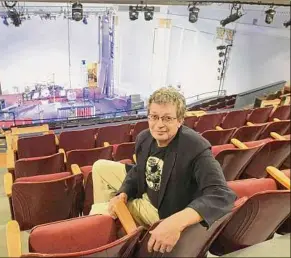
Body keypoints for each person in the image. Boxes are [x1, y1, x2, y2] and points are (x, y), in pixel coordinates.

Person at [89, 87, 236, 254]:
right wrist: (123, 193)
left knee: (98, 213)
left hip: (162, 209)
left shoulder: (195, 148)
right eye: (154, 117)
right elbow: (139, 170)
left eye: (167, 118)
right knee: (100, 166)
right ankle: (115, 224)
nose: (159, 125)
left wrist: (176, 222)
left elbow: (221, 195)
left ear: (180, 120)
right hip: (147, 187)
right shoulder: (144, 138)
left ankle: (109, 232)